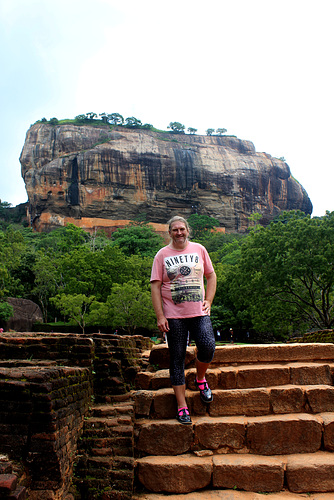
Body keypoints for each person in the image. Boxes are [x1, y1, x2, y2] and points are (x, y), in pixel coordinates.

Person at [150, 216, 217, 425]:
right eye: (174, 230)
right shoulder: (162, 255)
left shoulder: (199, 249)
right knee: (176, 357)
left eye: (182, 229)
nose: (179, 233)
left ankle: (200, 379)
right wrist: (160, 316)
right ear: (169, 233)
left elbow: (211, 276)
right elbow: (155, 286)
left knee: (207, 346)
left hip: (198, 311)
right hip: (174, 315)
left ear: (188, 230)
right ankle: (182, 406)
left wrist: (209, 301)